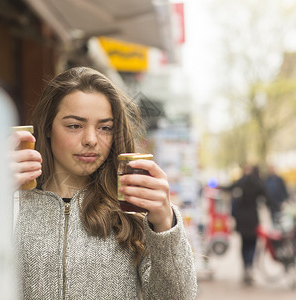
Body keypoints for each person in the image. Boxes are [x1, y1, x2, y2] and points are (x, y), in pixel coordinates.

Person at [10, 66, 197, 299]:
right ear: (48, 127)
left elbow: (177, 297)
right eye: (75, 126)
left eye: (105, 128)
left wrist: (164, 223)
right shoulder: (11, 203)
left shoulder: (133, 208)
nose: (91, 140)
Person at [221, 165, 267, 285]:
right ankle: (249, 266)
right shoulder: (257, 182)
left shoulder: (241, 182)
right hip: (253, 218)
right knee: (252, 243)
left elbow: (228, 188)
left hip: (241, 219)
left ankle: (246, 266)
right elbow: (266, 194)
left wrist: (215, 185)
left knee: (244, 244)